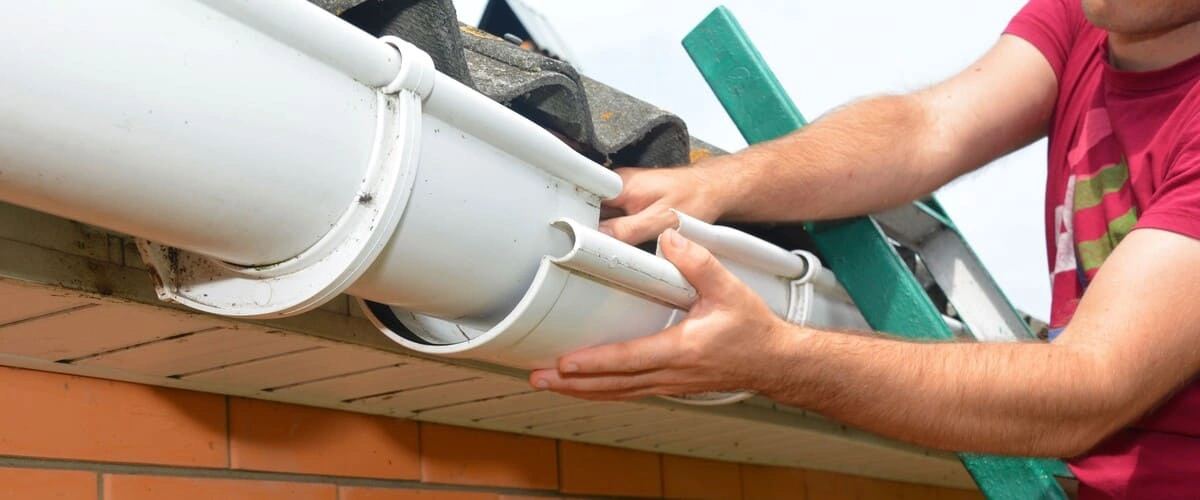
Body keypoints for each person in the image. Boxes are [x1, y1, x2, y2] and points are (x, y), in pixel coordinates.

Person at [528, 0, 1200, 497]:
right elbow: (927, 129)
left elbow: (1090, 387)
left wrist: (777, 357)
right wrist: (724, 180)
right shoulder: (1089, 17)